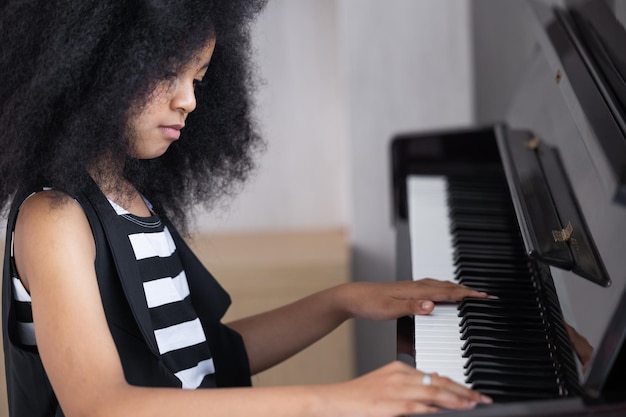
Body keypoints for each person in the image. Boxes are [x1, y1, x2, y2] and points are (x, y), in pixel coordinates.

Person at [0, 1, 493, 416]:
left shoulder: (128, 199)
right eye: (169, 72)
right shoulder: (54, 219)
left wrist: (344, 301)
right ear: (97, 64)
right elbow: (100, 406)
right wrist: (334, 399)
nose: (189, 100)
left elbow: (205, 362)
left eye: (199, 77)